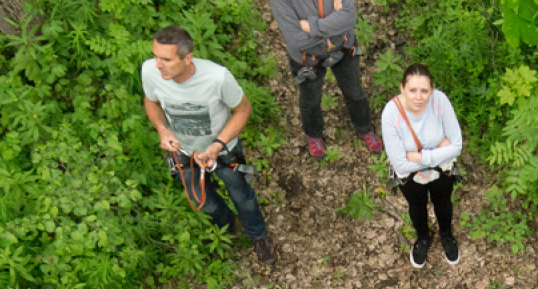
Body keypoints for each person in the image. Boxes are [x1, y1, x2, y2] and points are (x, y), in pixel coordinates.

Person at [142, 25, 276, 266]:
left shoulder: (218, 78)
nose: (158, 64)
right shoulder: (150, 72)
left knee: (241, 196)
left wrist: (217, 145)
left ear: (188, 58)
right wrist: (162, 129)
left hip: (223, 151)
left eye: (166, 59)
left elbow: (243, 109)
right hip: (183, 152)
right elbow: (151, 102)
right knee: (201, 200)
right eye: (155, 56)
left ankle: (257, 235)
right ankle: (225, 228)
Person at [268, 0, 383, 158]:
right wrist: (334, 27)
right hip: (307, 58)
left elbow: (349, 17)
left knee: (354, 91)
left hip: (343, 47)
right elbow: (295, 39)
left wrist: (310, 26)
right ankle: (314, 134)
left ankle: (364, 128)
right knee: (310, 100)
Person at [382, 65, 463, 268]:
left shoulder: (440, 101)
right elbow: (399, 162)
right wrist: (438, 150)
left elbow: (457, 146)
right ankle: (423, 238)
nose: (419, 96)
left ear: (432, 90)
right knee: (416, 206)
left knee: (443, 203)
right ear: (402, 88)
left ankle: (446, 235)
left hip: (442, 170)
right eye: (412, 90)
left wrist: (419, 156)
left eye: (424, 91)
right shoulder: (391, 114)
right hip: (409, 176)